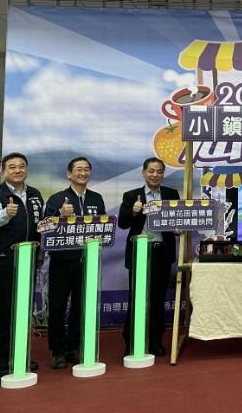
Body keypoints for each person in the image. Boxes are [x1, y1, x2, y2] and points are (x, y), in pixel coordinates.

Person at [0, 152, 45, 377]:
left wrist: (40, 252)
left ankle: (20, 355)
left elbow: (39, 225)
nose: (17, 170)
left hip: (29, 258)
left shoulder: (35, 194)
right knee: (3, 310)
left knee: (23, 309)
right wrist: (6, 214)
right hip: (2, 260)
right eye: (12, 167)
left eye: (21, 166)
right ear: (3, 171)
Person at [44, 157, 106, 369]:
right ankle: (57, 351)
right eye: (79, 169)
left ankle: (74, 347)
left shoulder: (96, 198)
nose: (83, 173)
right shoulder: (57, 198)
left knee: (81, 305)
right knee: (58, 306)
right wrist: (59, 214)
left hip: (87, 260)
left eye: (87, 169)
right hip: (62, 261)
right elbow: (44, 227)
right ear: (69, 174)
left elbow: (103, 226)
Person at [118, 157, 180, 356]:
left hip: (162, 252)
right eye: (151, 171)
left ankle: (155, 340)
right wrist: (134, 211)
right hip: (139, 251)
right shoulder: (131, 195)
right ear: (144, 173)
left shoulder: (171, 194)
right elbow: (122, 224)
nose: (155, 175)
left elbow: (177, 219)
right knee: (137, 298)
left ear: (163, 174)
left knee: (158, 299)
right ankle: (132, 341)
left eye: (159, 171)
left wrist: (177, 228)